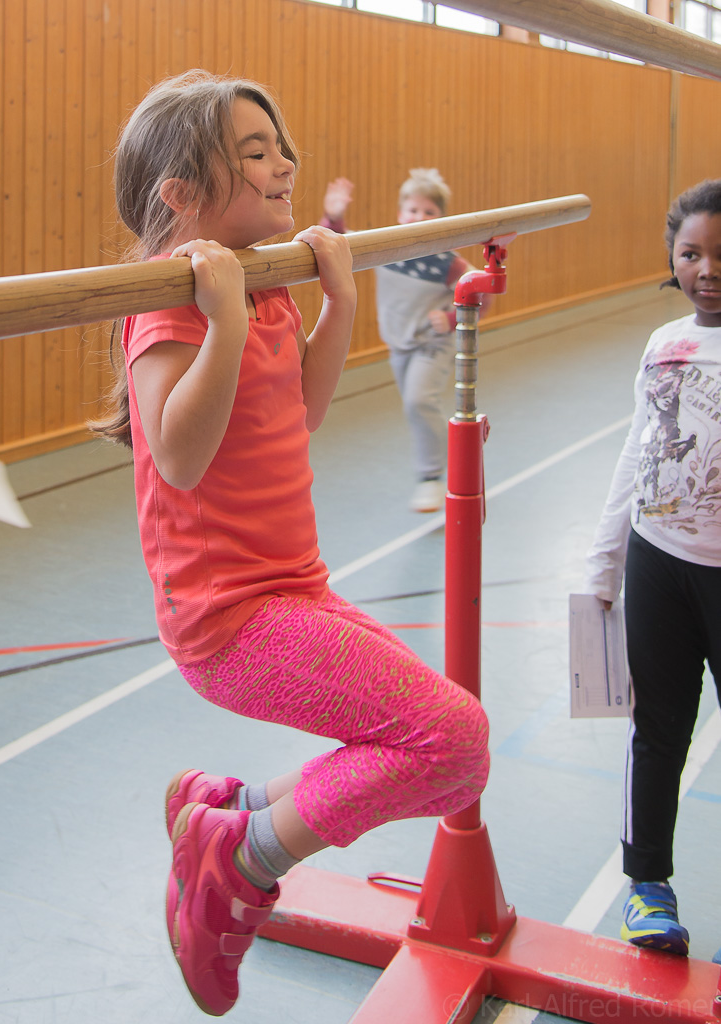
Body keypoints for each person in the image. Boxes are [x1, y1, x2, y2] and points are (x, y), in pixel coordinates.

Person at [93, 70, 490, 1016]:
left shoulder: (262, 284)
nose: (285, 166)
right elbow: (180, 459)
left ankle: (228, 810)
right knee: (452, 742)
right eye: (255, 154)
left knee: (432, 730)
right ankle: (240, 854)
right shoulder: (171, 303)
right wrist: (222, 315)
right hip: (231, 621)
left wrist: (338, 304)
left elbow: (303, 412)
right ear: (180, 194)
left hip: (296, 589)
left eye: (283, 148)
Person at [584, 178, 721, 963]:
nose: (707, 268)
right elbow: (638, 450)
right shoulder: (664, 341)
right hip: (658, 560)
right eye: (691, 253)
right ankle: (648, 886)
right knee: (657, 728)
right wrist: (604, 560)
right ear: (672, 259)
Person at [321, 171, 489, 513]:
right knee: (419, 408)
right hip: (399, 347)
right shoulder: (387, 247)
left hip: (433, 344)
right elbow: (337, 243)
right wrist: (334, 216)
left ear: (442, 218)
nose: (419, 218)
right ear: (400, 214)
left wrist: (453, 318)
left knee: (418, 401)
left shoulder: (449, 262)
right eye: (413, 210)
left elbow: (481, 292)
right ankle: (460, 458)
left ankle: (432, 477)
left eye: (429, 212)